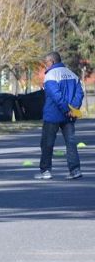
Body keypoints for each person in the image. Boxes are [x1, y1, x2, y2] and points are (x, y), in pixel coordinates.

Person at [34, 51, 84, 180]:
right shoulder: (72, 74)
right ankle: (75, 170)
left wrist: (65, 108)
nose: (45, 66)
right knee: (71, 143)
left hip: (53, 115)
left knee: (47, 143)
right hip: (70, 116)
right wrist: (73, 108)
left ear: (52, 61)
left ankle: (46, 171)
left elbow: (56, 95)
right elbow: (80, 93)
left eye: (46, 63)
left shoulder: (51, 75)